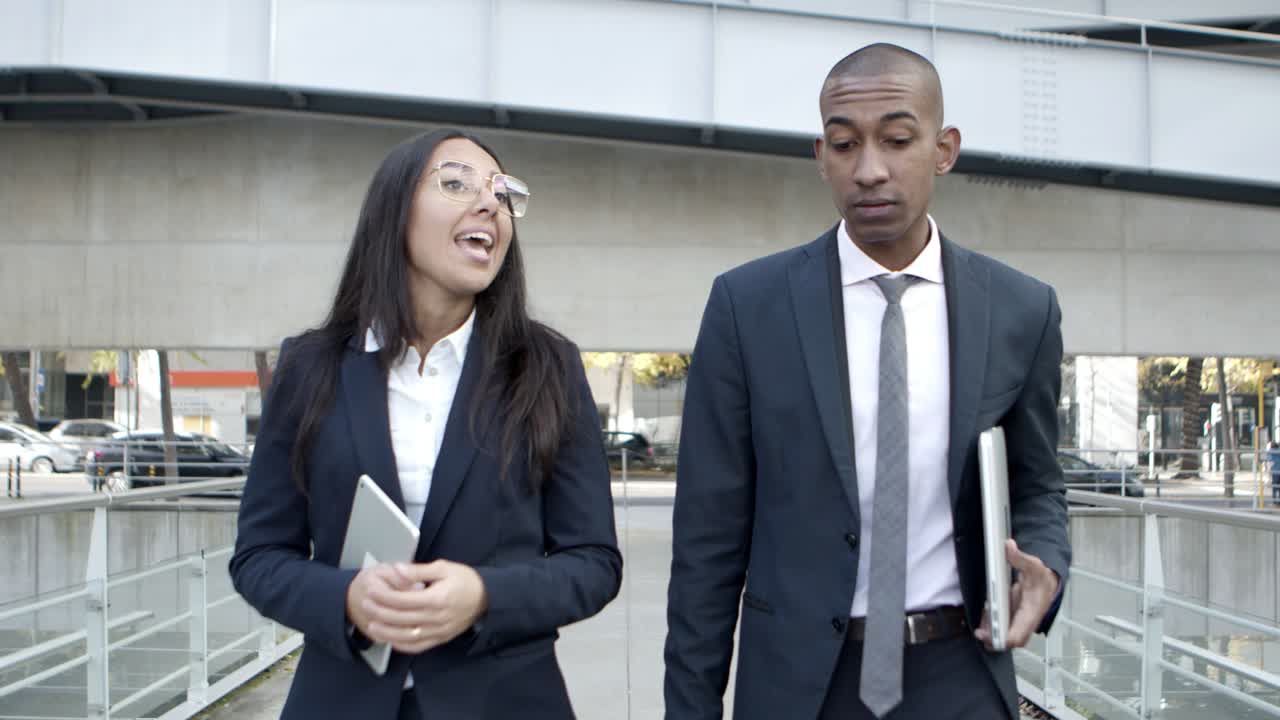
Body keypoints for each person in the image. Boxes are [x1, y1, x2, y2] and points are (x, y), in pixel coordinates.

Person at [664, 44, 1070, 720]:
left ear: (944, 149)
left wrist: (1047, 562)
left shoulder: (1021, 309)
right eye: (844, 144)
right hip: (798, 685)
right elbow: (706, 541)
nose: (869, 169)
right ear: (820, 156)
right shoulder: (748, 306)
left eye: (898, 139)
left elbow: (1039, 483)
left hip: (960, 673)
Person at [230, 129, 622, 720]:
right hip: (342, 701)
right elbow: (260, 556)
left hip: (506, 701)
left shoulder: (548, 366)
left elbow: (593, 562)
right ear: (395, 209)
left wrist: (485, 595)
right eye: (457, 183)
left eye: (501, 191)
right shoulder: (309, 366)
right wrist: (345, 599)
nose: (489, 203)